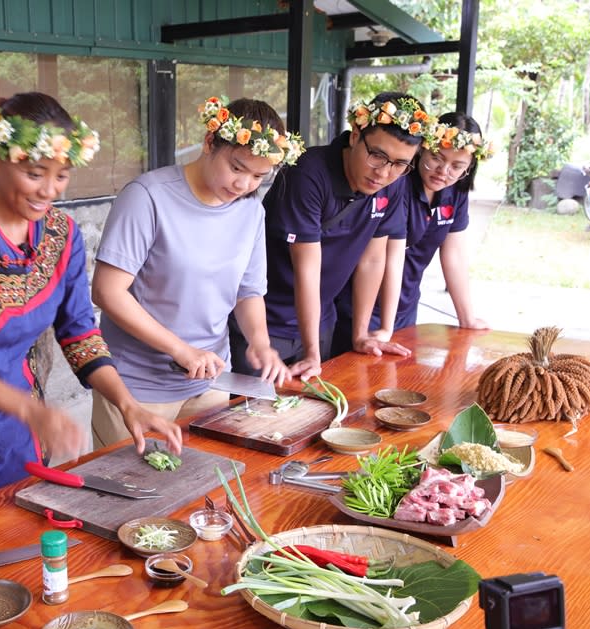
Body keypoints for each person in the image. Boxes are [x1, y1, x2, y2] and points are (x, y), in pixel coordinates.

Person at [0, 92, 182, 531]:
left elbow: (79, 331)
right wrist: (33, 412)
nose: (50, 190)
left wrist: (127, 404)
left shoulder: (61, 234)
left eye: (61, 175)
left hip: (22, 439)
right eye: (34, 173)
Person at [90, 96, 302, 449]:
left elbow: (248, 291)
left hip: (211, 382)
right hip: (137, 386)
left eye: (258, 176)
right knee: (132, 492)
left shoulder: (250, 213)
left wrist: (261, 344)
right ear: (208, 143)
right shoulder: (148, 197)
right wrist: (181, 350)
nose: (244, 185)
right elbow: (107, 292)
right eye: (237, 168)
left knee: (205, 485)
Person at [234, 92, 431, 382]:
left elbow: (373, 260)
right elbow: (308, 268)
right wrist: (312, 353)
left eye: (400, 164)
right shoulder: (309, 173)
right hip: (265, 322)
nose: (384, 173)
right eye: (377, 155)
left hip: (322, 320)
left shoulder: (393, 182)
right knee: (253, 418)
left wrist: (361, 334)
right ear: (355, 136)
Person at [335, 112, 493, 336]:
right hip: (359, 306)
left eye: (457, 166)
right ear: (422, 149)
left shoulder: (456, 191)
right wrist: (385, 328)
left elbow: (454, 254)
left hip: (406, 307)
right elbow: (389, 255)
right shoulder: (395, 183)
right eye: (437, 158)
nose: (444, 172)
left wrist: (466, 318)